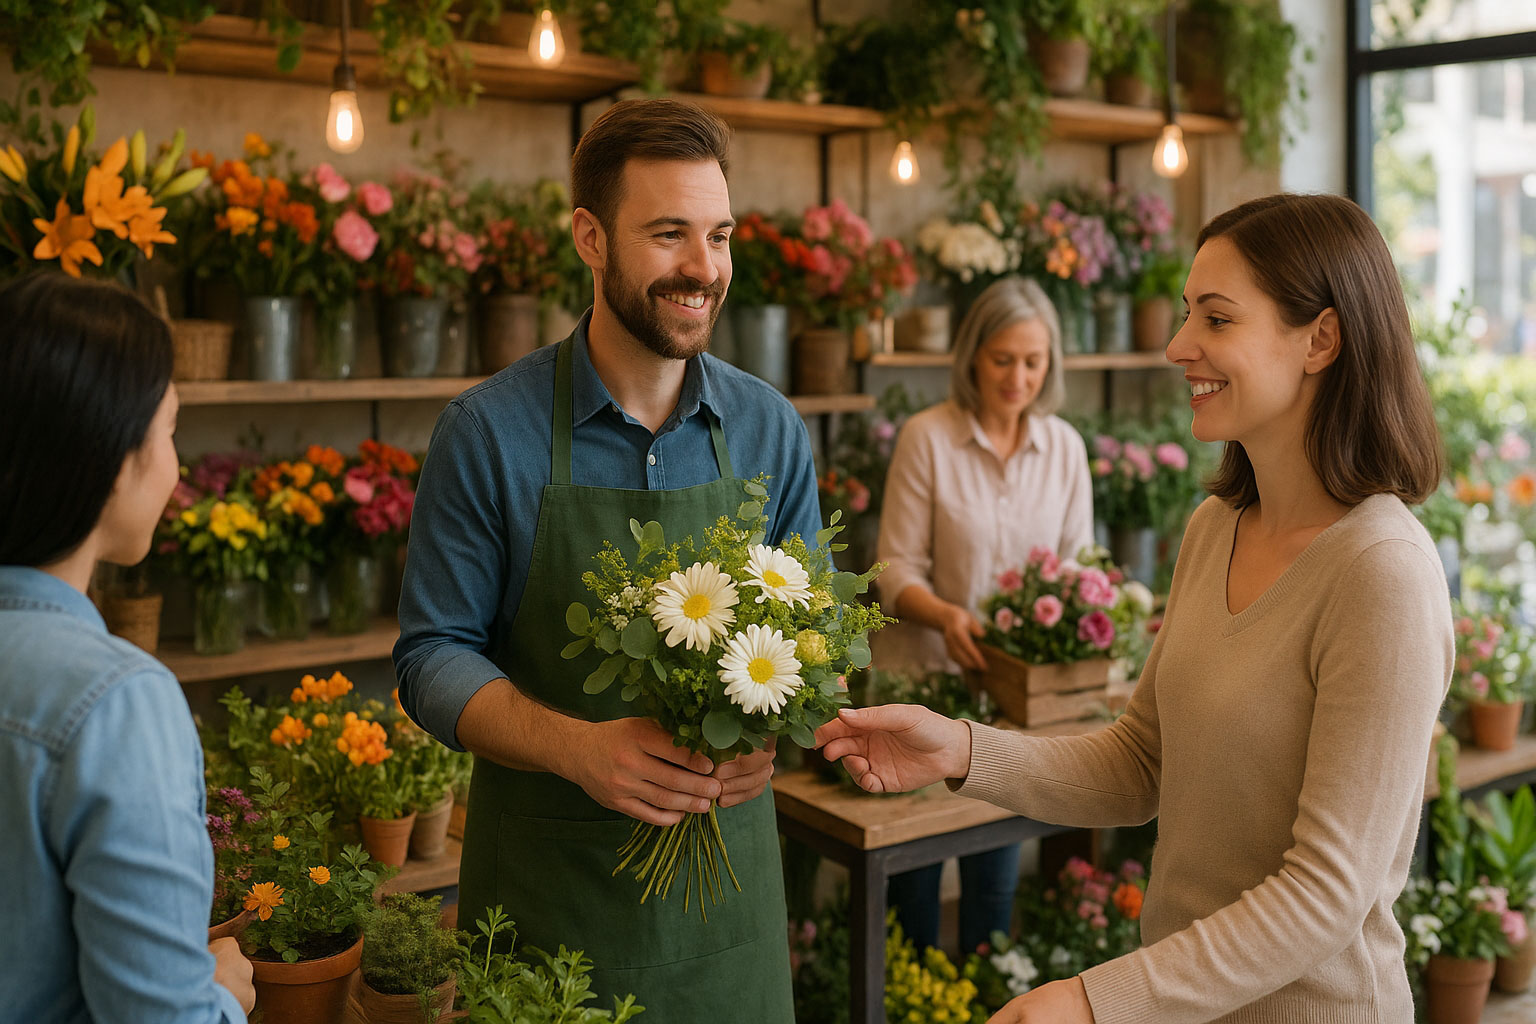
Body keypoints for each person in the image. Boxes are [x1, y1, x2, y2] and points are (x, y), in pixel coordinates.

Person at [818, 192, 1451, 1023]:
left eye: (1216, 320)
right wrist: (960, 752)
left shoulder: (1383, 573)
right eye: (1188, 314)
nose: (1177, 345)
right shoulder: (1215, 527)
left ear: (1320, 340)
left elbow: (1327, 894)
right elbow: (1141, 764)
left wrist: (1094, 1000)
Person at [393, 98, 819, 1020]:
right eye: (669, 234)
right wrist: (576, 748)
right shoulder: (486, 433)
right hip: (551, 910)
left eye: (719, 235)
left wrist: (773, 737)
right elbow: (429, 658)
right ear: (590, 237)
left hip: (725, 923)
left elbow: (816, 641)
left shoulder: (770, 429)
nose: (703, 269)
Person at [0, 272, 255, 1023]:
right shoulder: (112, 702)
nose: (176, 467)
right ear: (113, 459)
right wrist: (220, 995)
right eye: (170, 429)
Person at [876, 276, 1094, 955]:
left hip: (1011, 707)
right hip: (926, 691)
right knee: (912, 889)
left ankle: (983, 993)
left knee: (994, 884)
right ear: (972, 355)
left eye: (1033, 362)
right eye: (1004, 359)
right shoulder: (928, 439)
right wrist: (945, 616)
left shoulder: (1065, 450)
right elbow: (893, 573)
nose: (1018, 377)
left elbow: (1079, 574)